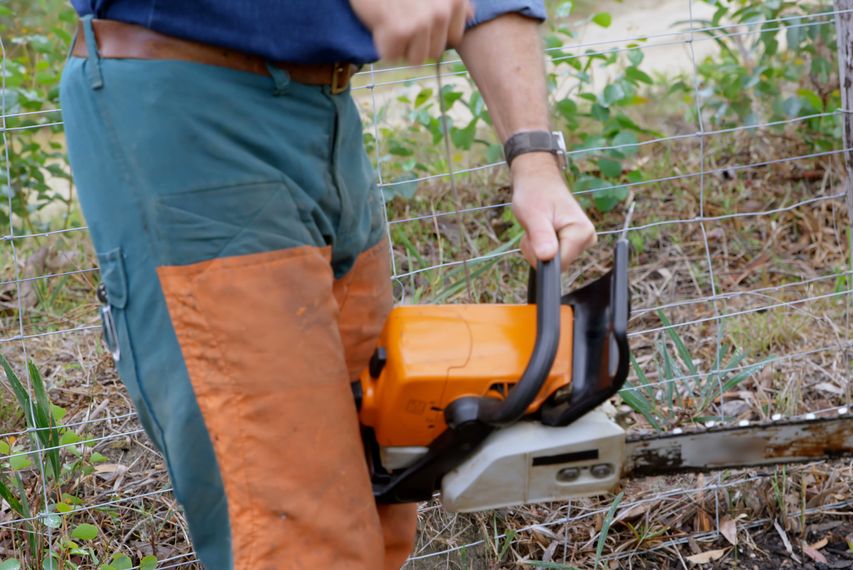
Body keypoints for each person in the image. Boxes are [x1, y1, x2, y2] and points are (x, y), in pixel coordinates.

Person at [59, 0, 596, 567]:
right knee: (295, 536)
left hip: (329, 111)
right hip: (190, 107)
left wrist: (533, 157)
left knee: (384, 488)